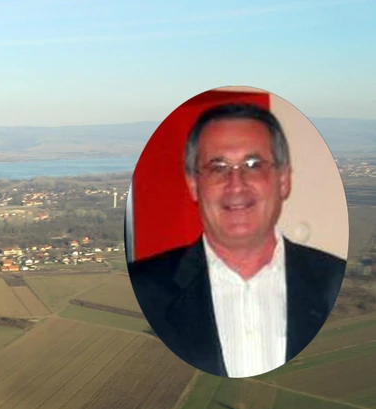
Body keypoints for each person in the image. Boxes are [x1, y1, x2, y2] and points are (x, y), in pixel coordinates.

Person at [128, 103, 346, 378]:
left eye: (253, 165)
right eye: (218, 167)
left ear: (283, 180)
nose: (236, 183)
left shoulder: (338, 283)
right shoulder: (139, 291)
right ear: (194, 185)